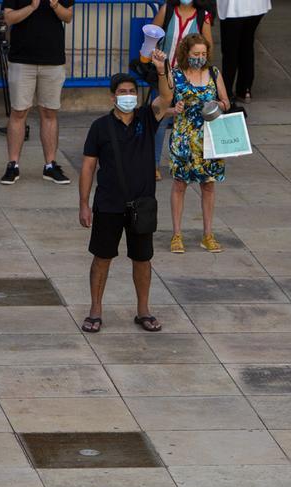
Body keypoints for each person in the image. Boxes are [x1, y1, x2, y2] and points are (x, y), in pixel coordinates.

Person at [78, 68, 173, 335]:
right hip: (108, 204)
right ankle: (95, 310)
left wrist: (161, 70)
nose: (128, 96)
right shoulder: (100, 127)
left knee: (142, 259)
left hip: (142, 205)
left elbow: (166, 96)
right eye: (122, 92)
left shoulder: (147, 118)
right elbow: (88, 167)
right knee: (102, 258)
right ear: (113, 97)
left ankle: (143, 310)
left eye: (132, 92)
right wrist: (84, 203)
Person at [163, 33, 230, 255]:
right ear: (186, 54)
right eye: (196, 54)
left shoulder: (213, 73)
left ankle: (208, 234)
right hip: (183, 136)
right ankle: (176, 234)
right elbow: (163, 106)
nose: (200, 58)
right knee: (180, 184)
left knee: (208, 185)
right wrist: (175, 109)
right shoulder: (176, 75)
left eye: (203, 54)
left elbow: (226, 102)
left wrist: (216, 105)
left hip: (208, 136)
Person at [0, 0, 74, 186]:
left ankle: (50, 165)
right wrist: (31, 7)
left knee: (49, 112)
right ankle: (13, 164)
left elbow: (68, 17)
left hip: (53, 59)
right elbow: (9, 18)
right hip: (21, 59)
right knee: (19, 111)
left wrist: (56, 5)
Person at [151, 0, 214, 176]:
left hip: (189, 80)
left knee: (188, 121)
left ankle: (186, 162)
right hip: (164, 76)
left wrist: (203, 74)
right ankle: (153, 164)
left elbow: (208, 49)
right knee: (159, 120)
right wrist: (155, 57)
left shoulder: (203, 17)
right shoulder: (167, 10)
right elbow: (152, 36)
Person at [217, 0, 268, 104]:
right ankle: (244, 90)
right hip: (256, 7)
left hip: (234, 8)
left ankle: (226, 92)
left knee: (230, 51)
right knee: (247, 46)